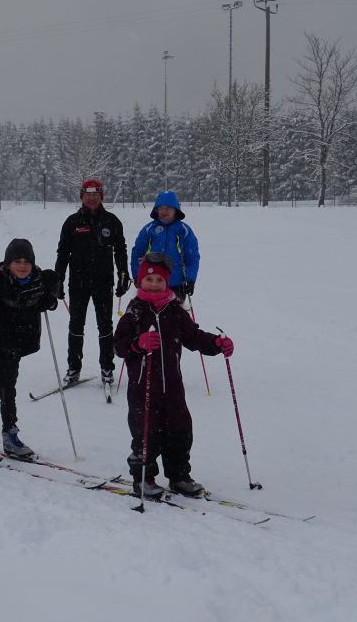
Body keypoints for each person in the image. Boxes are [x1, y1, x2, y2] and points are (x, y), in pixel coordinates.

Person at [113, 252, 233, 498]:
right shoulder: (134, 312)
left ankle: (179, 476)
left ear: (167, 283)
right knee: (146, 435)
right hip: (143, 388)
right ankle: (144, 479)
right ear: (139, 282)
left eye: (160, 280)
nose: (154, 284)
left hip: (173, 388)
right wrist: (138, 343)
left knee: (180, 432)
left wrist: (216, 344)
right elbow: (119, 346)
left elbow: (194, 337)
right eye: (150, 280)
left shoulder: (176, 312)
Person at [0, 239, 59, 462]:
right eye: (17, 261)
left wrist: (49, 299)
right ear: (8, 264)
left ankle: (10, 435)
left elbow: (54, 287)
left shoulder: (37, 281)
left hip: (15, 345)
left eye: (27, 261)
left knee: (9, 389)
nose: (23, 266)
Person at [54, 179, 129, 388]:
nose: (92, 197)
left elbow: (120, 250)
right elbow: (63, 252)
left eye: (96, 193)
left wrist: (123, 273)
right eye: (87, 194)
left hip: (103, 282)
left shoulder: (112, 221)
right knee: (76, 325)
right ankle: (74, 368)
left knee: (105, 325)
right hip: (78, 282)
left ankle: (107, 367)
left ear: (102, 196)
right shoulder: (72, 222)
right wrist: (57, 278)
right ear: (81, 196)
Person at [130, 190, 200, 302]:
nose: (164, 211)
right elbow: (137, 253)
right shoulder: (149, 230)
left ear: (175, 210)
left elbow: (192, 257)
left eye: (168, 208)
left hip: (176, 284)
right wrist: (137, 275)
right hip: (152, 283)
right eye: (161, 208)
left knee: (175, 317)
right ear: (156, 210)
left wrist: (190, 279)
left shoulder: (184, 230)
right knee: (150, 316)